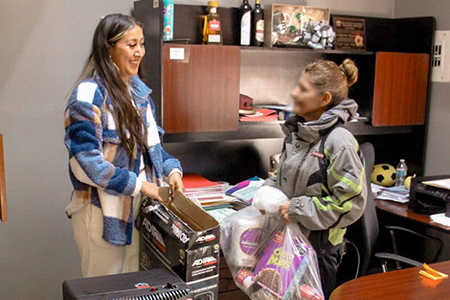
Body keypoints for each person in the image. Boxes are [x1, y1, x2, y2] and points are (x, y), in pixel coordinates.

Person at [64, 14, 184, 277]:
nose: (139, 52)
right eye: (131, 45)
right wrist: (141, 185)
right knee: (105, 291)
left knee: (134, 289)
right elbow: (86, 166)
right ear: (108, 48)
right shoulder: (87, 95)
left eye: (141, 44)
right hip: (102, 214)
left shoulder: (138, 93)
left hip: (139, 211)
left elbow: (151, 150)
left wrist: (172, 170)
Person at [266, 59, 367, 299]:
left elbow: (350, 204)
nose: (294, 93)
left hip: (318, 252)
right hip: (287, 244)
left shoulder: (339, 142)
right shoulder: (297, 133)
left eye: (303, 89)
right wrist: (266, 194)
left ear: (324, 99)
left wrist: (298, 209)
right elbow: (281, 176)